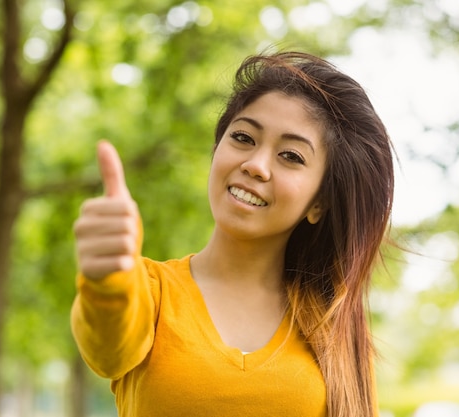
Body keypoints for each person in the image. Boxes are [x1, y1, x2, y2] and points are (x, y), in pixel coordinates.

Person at [71, 51, 394, 417]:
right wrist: (107, 276)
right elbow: (107, 347)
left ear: (318, 203)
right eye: (243, 137)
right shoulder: (149, 291)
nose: (255, 165)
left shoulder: (334, 327)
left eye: (291, 156)